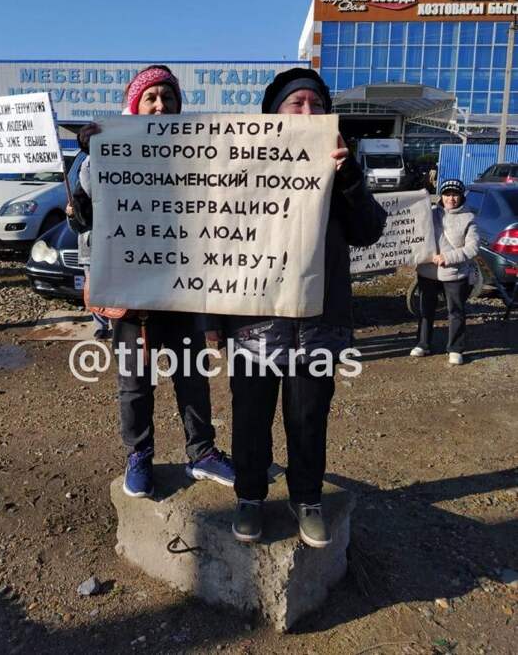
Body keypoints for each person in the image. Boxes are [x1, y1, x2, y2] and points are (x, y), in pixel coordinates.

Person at [210, 68, 386, 547]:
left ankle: (306, 499)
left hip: (319, 326)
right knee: (249, 416)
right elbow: (213, 242)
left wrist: (348, 176)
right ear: (273, 114)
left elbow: (370, 230)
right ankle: (249, 497)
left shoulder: (343, 165)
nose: (307, 112)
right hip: (254, 324)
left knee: (309, 417)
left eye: (316, 103)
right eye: (296, 103)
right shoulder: (240, 166)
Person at [103, 65, 234, 498]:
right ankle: (139, 456)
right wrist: (94, 150)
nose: (161, 106)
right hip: (130, 298)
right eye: (152, 98)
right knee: (134, 384)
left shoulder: (199, 156)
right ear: (135, 106)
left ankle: (202, 452)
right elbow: (87, 214)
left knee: (192, 377)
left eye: (169, 99)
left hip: (182, 292)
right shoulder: (109, 152)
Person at [410, 178, 479, 366]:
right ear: (441, 195)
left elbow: (473, 248)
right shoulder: (429, 213)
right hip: (428, 272)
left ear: (461, 196)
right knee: (426, 309)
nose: (451, 198)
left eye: (455, 194)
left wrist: (448, 258)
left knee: (455, 311)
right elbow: (414, 232)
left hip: (455, 274)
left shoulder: (469, 217)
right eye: (447, 194)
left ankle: (456, 349)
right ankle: (423, 343)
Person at [66, 122, 112, 340]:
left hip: (113, 239)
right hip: (91, 240)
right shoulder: (84, 166)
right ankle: (101, 323)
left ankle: (116, 320)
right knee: (94, 285)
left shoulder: (116, 161)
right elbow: (90, 200)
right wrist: (72, 212)